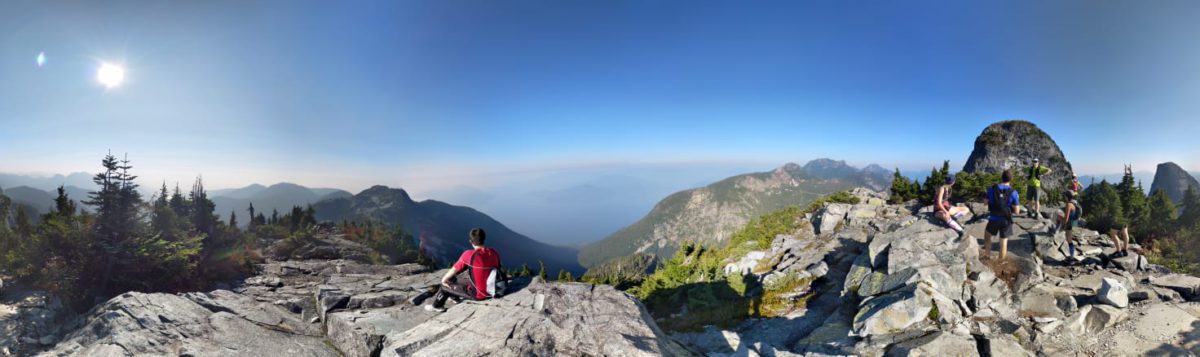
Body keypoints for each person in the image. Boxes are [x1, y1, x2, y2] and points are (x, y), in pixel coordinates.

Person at [425, 228, 504, 312]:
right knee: (454, 280)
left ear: (470, 241)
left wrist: (443, 280)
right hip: (493, 288)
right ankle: (454, 297)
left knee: (445, 285)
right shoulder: (493, 252)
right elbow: (499, 268)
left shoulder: (469, 254)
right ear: (484, 239)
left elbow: (453, 270)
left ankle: (437, 306)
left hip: (479, 294)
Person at [983, 170, 1021, 260]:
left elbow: (985, 203)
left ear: (1002, 177)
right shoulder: (1013, 192)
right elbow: (1017, 211)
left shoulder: (991, 189)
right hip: (1006, 220)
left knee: (987, 236)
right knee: (1003, 243)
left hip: (993, 218)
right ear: (1011, 179)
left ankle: (987, 255)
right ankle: (1001, 262)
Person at [1051, 190, 1084, 262]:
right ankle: (1071, 257)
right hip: (1073, 222)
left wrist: (1061, 223)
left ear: (1066, 196)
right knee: (1069, 240)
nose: (1064, 197)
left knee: (1069, 240)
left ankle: (1071, 259)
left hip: (1070, 224)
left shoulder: (1069, 205)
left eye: (1065, 196)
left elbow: (1066, 219)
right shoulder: (1074, 202)